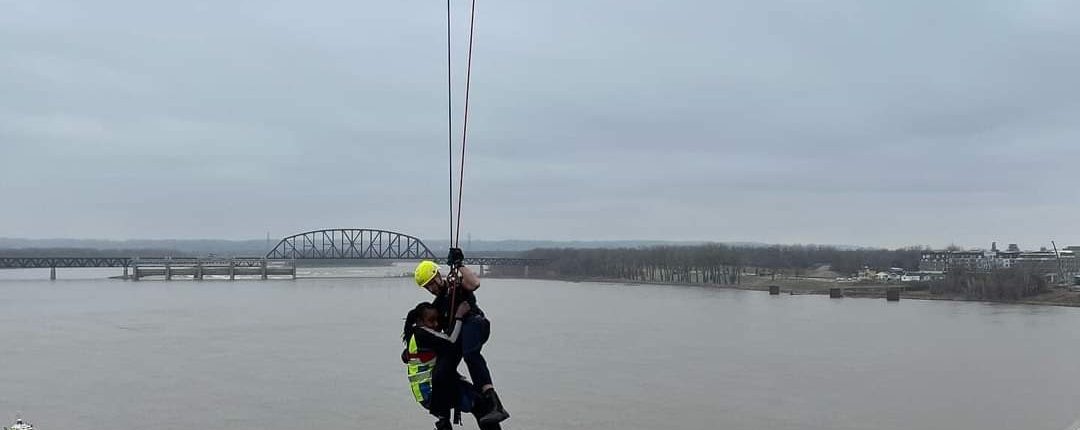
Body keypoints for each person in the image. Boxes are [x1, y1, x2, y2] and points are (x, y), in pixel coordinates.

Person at [414, 249, 510, 425]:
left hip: (476, 324)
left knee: (470, 354)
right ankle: (483, 403)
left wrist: (459, 264)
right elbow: (437, 334)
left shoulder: (455, 286)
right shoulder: (438, 305)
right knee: (451, 363)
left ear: (437, 275)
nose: (431, 289)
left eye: (431, 284)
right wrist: (413, 353)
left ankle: (495, 403)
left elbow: (474, 283)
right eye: (427, 287)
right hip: (464, 335)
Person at [402, 301, 502, 430]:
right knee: (481, 406)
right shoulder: (422, 334)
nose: (436, 324)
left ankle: (444, 422)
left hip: (428, 391)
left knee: (479, 405)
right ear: (420, 321)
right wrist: (459, 316)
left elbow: (442, 339)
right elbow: (450, 341)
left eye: (437, 320)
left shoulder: (416, 334)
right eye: (431, 321)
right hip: (432, 392)